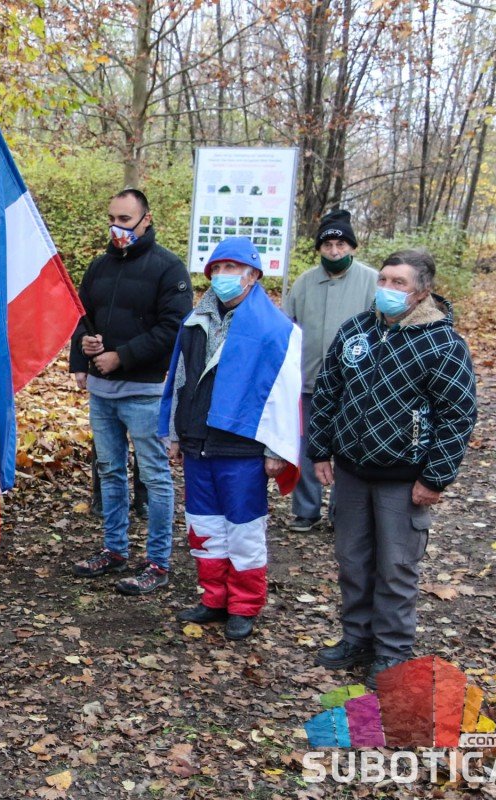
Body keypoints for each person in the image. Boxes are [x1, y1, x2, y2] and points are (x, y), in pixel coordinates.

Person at [308, 249, 477, 688]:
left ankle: (392, 651)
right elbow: (327, 391)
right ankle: (356, 638)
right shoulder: (356, 330)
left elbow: (458, 415)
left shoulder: (443, 343)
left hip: (404, 479)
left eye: (398, 282)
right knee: (352, 560)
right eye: (383, 279)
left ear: (421, 291)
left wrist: (435, 477)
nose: (387, 288)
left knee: (396, 567)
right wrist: (320, 449)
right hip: (351, 471)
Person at [159, 238, 301, 640]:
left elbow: (283, 391)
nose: (222, 276)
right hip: (197, 442)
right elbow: (181, 378)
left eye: (230, 268)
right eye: (216, 269)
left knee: (244, 529)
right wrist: (174, 434)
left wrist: (275, 448)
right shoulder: (195, 321)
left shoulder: (275, 329)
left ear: (252, 275)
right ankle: (214, 598)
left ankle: (244, 605)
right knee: (204, 525)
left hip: (241, 446)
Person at [69, 189, 192, 596]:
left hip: (145, 392)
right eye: (112, 218)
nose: (116, 227)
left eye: (124, 219)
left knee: (154, 476)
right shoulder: (99, 266)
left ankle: (157, 562)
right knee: (109, 470)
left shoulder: (169, 268)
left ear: (145, 219)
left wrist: (122, 356)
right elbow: (82, 316)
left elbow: (174, 329)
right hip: (101, 393)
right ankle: (114, 549)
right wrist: (82, 354)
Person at [284, 210, 377, 532]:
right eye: (328, 245)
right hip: (308, 381)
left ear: (352, 246)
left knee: (349, 450)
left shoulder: (372, 281)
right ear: (319, 249)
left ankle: (343, 513)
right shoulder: (304, 283)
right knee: (307, 448)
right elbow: (288, 328)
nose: (334, 251)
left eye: (341, 245)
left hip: (355, 384)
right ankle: (306, 511)